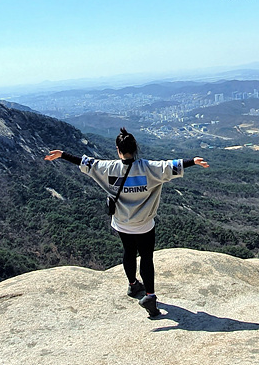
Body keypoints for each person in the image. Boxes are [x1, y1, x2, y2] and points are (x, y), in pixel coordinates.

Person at [44, 128, 209, 317]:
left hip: (122, 222)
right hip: (144, 223)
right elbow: (172, 165)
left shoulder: (108, 168)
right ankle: (149, 295)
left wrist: (62, 154)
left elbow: (85, 162)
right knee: (146, 257)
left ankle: (132, 285)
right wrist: (194, 162)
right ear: (135, 148)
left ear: (118, 149)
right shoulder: (148, 168)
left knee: (128, 252)